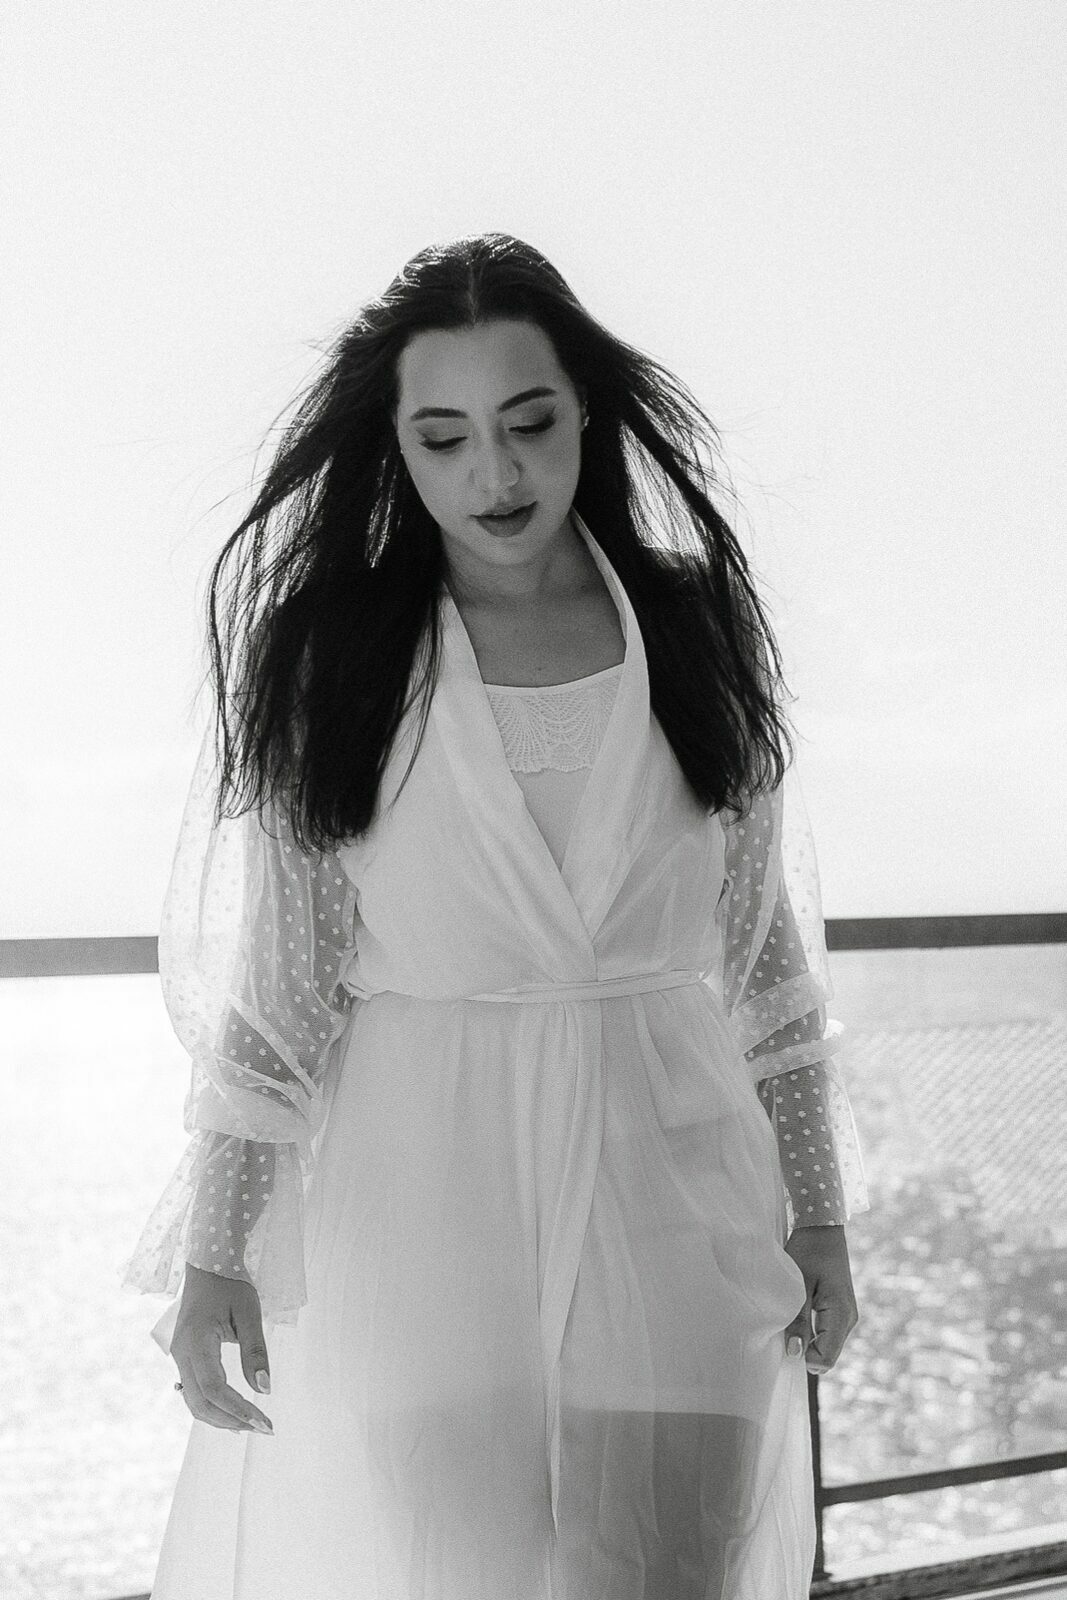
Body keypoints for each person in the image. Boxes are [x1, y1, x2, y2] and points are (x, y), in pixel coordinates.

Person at [120, 232, 869, 1599]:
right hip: (423, 1208)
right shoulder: (336, 658)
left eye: (529, 424)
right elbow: (281, 992)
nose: (497, 475)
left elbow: (767, 959)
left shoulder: (694, 628)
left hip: (678, 1191)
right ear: (397, 450)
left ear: (586, 412)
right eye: (446, 438)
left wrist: (820, 1217)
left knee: (672, 1578)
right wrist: (216, 1252)